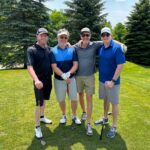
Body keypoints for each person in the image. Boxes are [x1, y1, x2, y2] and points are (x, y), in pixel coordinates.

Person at [95, 27, 126, 138]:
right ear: (101, 37)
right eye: (103, 35)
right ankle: (105, 118)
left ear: (111, 35)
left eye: (107, 35)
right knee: (105, 100)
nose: (105, 37)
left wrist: (113, 81)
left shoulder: (117, 48)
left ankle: (114, 126)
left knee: (114, 103)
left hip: (113, 82)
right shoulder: (101, 48)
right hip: (103, 80)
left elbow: (120, 65)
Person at [74, 27, 103, 135]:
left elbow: (109, 40)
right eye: (83, 35)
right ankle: (84, 112)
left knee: (89, 98)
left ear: (90, 36)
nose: (85, 37)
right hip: (78, 77)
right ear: (80, 36)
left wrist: (121, 45)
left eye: (87, 35)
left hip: (90, 76)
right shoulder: (75, 46)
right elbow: (66, 47)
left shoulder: (94, 44)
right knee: (80, 95)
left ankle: (89, 124)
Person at [51, 28, 81, 125]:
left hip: (71, 78)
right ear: (57, 38)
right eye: (61, 37)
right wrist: (63, 76)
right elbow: (54, 66)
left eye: (65, 37)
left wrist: (68, 74)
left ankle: (74, 115)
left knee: (74, 98)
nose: (63, 39)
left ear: (67, 38)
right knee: (61, 98)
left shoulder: (72, 50)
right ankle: (63, 115)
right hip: (59, 79)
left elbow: (75, 64)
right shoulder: (53, 50)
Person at [27, 28, 53, 139]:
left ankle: (42, 117)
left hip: (48, 79)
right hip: (38, 81)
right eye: (41, 35)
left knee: (44, 100)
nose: (43, 37)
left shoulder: (48, 49)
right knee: (39, 103)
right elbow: (29, 66)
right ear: (37, 36)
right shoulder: (31, 50)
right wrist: (36, 80)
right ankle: (37, 127)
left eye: (45, 35)